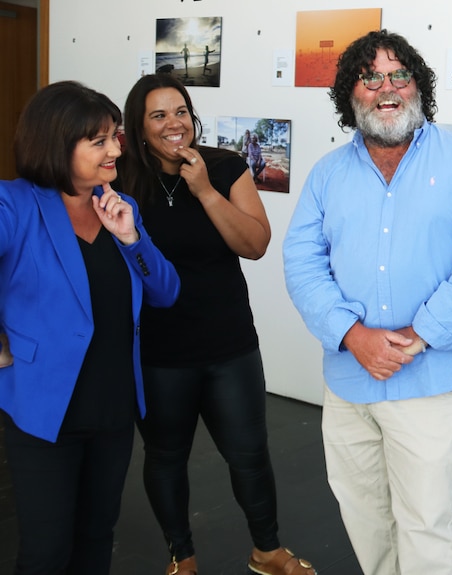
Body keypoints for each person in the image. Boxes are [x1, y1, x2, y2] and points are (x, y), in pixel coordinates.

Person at [283, 29, 452, 575]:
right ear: (350, 94)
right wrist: (353, 336)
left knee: (426, 520)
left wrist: (419, 336)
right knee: (365, 515)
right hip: (349, 378)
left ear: (417, 87)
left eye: (398, 75)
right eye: (370, 77)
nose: (386, 88)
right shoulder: (327, 175)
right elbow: (302, 264)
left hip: (427, 378)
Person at [117, 74, 315, 575]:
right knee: (165, 457)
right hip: (158, 349)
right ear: (138, 128)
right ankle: (181, 557)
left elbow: (254, 243)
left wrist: (204, 190)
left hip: (228, 343)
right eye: (158, 115)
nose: (173, 123)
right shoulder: (122, 179)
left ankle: (266, 550)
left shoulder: (225, 166)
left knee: (250, 454)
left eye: (180, 111)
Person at [0, 81, 180, 574]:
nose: (116, 148)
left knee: (97, 539)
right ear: (58, 144)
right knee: (45, 550)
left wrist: (131, 238)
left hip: (114, 407)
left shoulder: (120, 205)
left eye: (115, 137)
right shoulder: (14, 204)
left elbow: (166, 291)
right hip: (45, 411)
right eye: (98, 141)